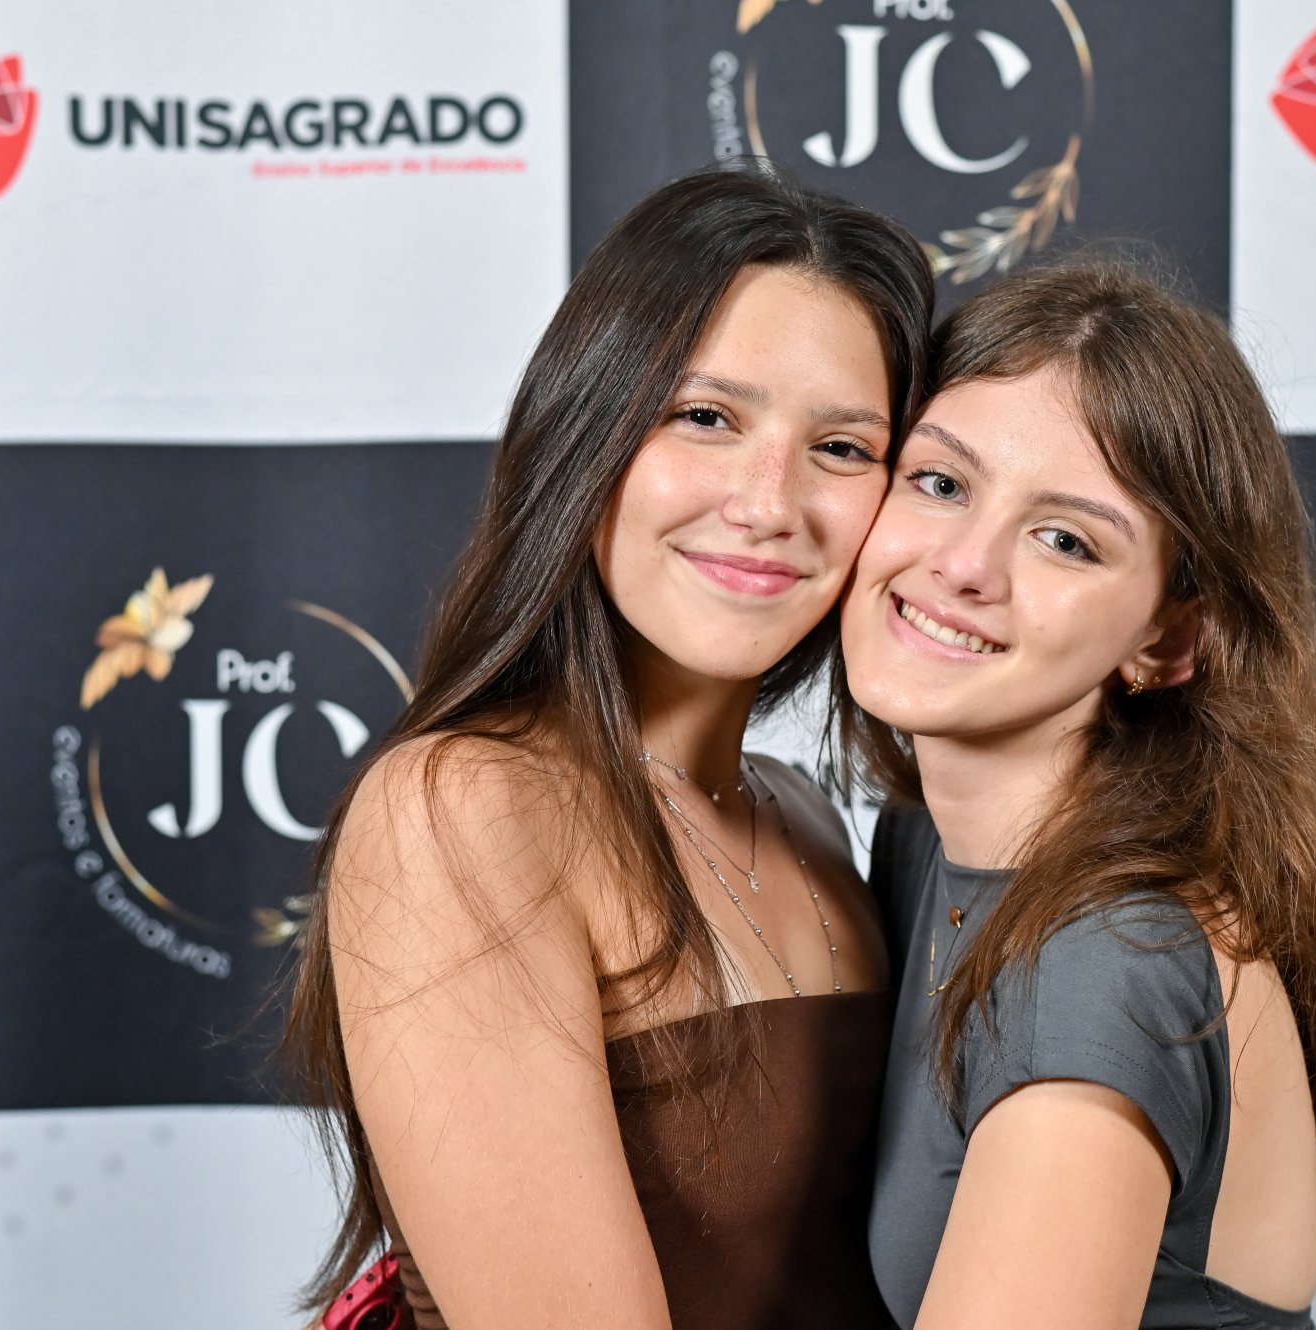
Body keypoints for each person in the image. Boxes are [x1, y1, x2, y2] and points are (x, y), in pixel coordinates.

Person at [280, 163, 933, 1330]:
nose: (767, 502)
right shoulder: (462, 808)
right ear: (586, 430)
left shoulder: (812, 820)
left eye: (842, 447)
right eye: (705, 418)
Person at [839, 258, 1316, 1329]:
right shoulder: (925, 840)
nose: (965, 564)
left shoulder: (1101, 967)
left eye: (1064, 540)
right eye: (940, 482)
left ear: (1167, 641)